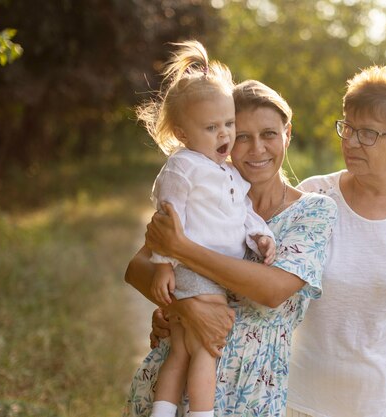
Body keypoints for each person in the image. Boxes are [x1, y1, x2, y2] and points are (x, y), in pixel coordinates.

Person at [147, 65, 386, 417]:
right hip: (301, 402)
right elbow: (203, 262)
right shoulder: (314, 195)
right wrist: (179, 305)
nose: (349, 141)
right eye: (347, 128)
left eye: (368, 134)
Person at [123, 79, 338, 417]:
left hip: (251, 390)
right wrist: (187, 307)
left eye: (268, 133)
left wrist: (181, 248)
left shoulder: (314, 211)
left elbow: (272, 290)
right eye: (241, 136)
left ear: (287, 134)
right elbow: (137, 268)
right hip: (172, 383)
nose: (256, 149)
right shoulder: (201, 193)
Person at [136, 41, 277, 417]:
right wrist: (165, 265)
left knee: (181, 348)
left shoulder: (225, 171)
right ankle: (202, 413)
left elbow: (242, 210)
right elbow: (168, 216)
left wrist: (261, 234)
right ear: (183, 134)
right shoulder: (184, 166)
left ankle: (163, 411)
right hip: (197, 272)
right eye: (211, 127)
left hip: (205, 271)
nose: (224, 136)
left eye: (229, 125)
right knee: (207, 348)